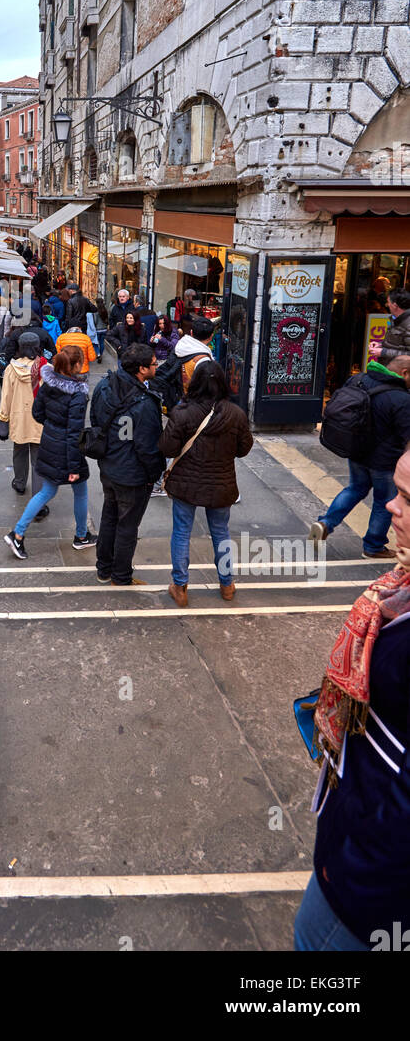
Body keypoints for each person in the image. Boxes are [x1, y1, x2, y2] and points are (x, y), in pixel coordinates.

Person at [293, 445, 410, 952]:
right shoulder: (399, 589)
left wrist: (351, 864)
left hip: (367, 897)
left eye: (407, 497)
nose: (393, 506)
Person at [159, 360, 254, 607]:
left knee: (181, 532)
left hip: (186, 484)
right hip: (221, 483)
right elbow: (244, 449)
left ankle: (180, 587)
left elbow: (167, 447)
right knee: (221, 533)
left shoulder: (182, 413)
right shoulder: (236, 414)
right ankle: (227, 585)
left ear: (195, 383)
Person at [310, 353, 410, 559]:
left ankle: (325, 523)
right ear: (404, 373)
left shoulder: (358, 379)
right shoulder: (402, 399)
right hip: (385, 461)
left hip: (356, 451)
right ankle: (373, 546)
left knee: (355, 489)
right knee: (384, 500)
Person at [4, 344, 97, 560]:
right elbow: (74, 432)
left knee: (47, 491)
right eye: (80, 361)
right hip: (67, 449)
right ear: (74, 366)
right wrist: (74, 466)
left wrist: (53, 427)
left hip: (49, 442)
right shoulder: (77, 394)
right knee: (80, 489)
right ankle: (81, 537)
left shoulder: (48, 385)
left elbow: (37, 413)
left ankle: (18, 533)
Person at [91, 343, 164, 586]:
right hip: (132, 474)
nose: (156, 366)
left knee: (109, 516)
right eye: (154, 364)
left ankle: (104, 569)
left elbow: (95, 421)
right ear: (142, 370)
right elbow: (148, 446)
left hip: (109, 466)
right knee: (127, 526)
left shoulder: (104, 385)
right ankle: (121, 575)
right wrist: (156, 473)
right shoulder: (144, 403)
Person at [0, 331, 48, 515]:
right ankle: (38, 502)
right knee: (38, 460)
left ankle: (19, 483)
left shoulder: (11, 369)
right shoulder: (45, 368)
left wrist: (3, 420)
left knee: (19, 452)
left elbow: (6, 397)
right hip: (39, 421)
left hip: (19, 419)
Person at [369, 288, 410, 366]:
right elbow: (397, 344)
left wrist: (383, 352)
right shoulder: (395, 319)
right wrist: (380, 344)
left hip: (398, 373)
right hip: (389, 369)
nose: (387, 305)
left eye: (388, 302)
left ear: (395, 306)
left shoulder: (407, 324)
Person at [176, 316, 216, 394]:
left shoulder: (180, 346)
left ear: (191, 332)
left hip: (180, 397)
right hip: (195, 401)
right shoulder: (204, 360)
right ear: (211, 336)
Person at [88, 297, 110, 362]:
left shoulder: (96, 312)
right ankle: (101, 354)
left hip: (97, 330)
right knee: (101, 342)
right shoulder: (105, 310)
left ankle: (98, 354)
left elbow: (95, 321)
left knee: (95, 343)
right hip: (104, 329)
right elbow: (107, 320)